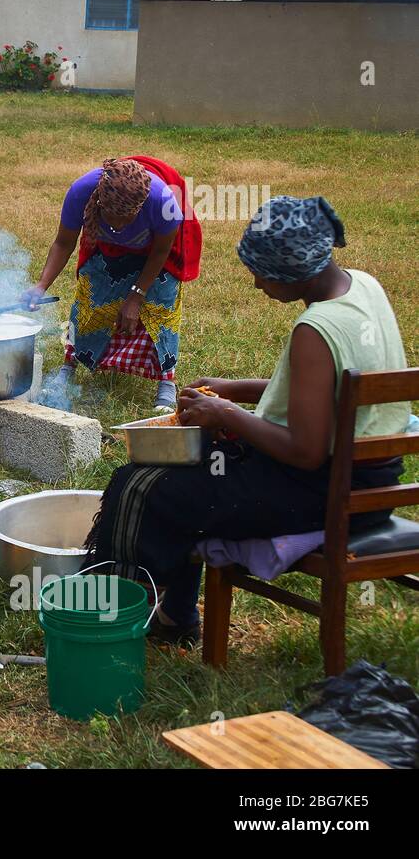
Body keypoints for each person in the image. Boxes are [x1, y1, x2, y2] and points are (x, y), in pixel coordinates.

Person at [84, 196, 409, 646]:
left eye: (260, 271)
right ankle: (175, 616)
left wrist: (226, 412)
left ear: (290, 269)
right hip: (373, 483)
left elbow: (305, 450)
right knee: (190, 470)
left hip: (324, 495)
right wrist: (238, 388)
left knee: (141, 485)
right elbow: (329, 390)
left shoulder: (315, 330)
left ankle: (108, 621)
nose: (256, 283)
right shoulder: (363, 288)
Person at [24, 156, 202, 410]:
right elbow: (64, 242)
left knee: (162, 302)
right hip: (105, 247)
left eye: (128, 217)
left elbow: (162, 251)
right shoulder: (81, 193)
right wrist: (41, 285)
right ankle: (69, 364)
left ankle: (166, 380)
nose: (119, 225)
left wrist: (136, 296)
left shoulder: (163, 201)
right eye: (113, 217)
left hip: (157, 252)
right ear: (99, 202)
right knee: (88, 296)